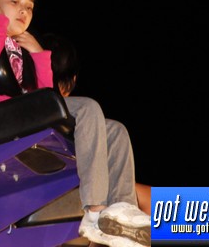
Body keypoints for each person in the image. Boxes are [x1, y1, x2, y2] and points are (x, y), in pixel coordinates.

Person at [0, 0, 150, 247]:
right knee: (88, 107)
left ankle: (121, 215)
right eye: (15, 2)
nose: (23, 11)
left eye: (29, 7)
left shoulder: (21, 45)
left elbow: (47, 99)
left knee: (115, 130)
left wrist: (37, 53)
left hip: (23, 113)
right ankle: (95, 212)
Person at [44, 32, 152, 218]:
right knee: (88, 107)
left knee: (116, 129)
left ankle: (123, 211)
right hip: (35, 111)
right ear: (72, 80)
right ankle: (95, 207)